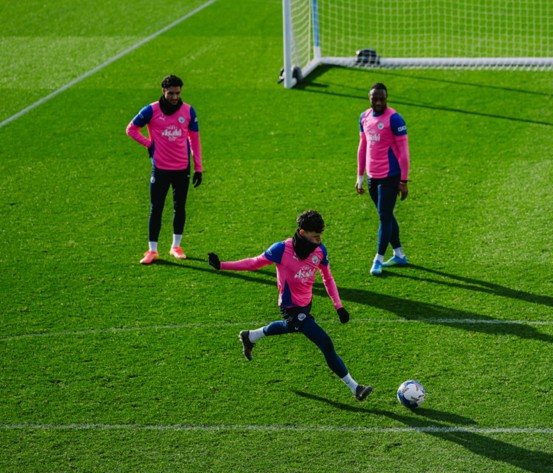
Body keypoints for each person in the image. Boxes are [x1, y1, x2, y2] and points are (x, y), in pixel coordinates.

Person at [206, 210, 373, 402]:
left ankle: (251, 336)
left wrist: (339, 306)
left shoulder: (319, 251)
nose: (319, 241)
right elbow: (254, 263)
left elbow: (327, 277)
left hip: (306, 304)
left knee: (291, 327)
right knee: (325, 342)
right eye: (315, 236)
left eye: (320, 236)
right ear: (302, 233)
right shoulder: (281, 249)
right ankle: (356, 388)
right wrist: (222, 265)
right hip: (290, 307)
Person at [126, 74, 203, 265]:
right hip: (160, 169)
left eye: (178, 93)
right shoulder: (151, 111)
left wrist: (198, 168)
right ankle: (152, 250)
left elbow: (195, 140)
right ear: (163, 91)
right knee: (156, 208)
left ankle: (176, 246)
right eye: (171, 93)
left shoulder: (188, 111)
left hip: (181, 168)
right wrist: (149, 145)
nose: (175, 97)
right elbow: (131, 129)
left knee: (180, 207)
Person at [356, 82, 411, 276]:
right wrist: (360, 176)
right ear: (369, 98)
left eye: (382, 98)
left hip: (390, 176)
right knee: (385, 214)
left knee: (384, 216)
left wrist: (404, 181)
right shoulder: (364, 117)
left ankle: (378, 259)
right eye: (375, 98)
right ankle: (399, 254)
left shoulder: (395, 119)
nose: (378, 102)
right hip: (372, 176)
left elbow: (404, 152)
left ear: (386, 98)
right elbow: (363, 147)